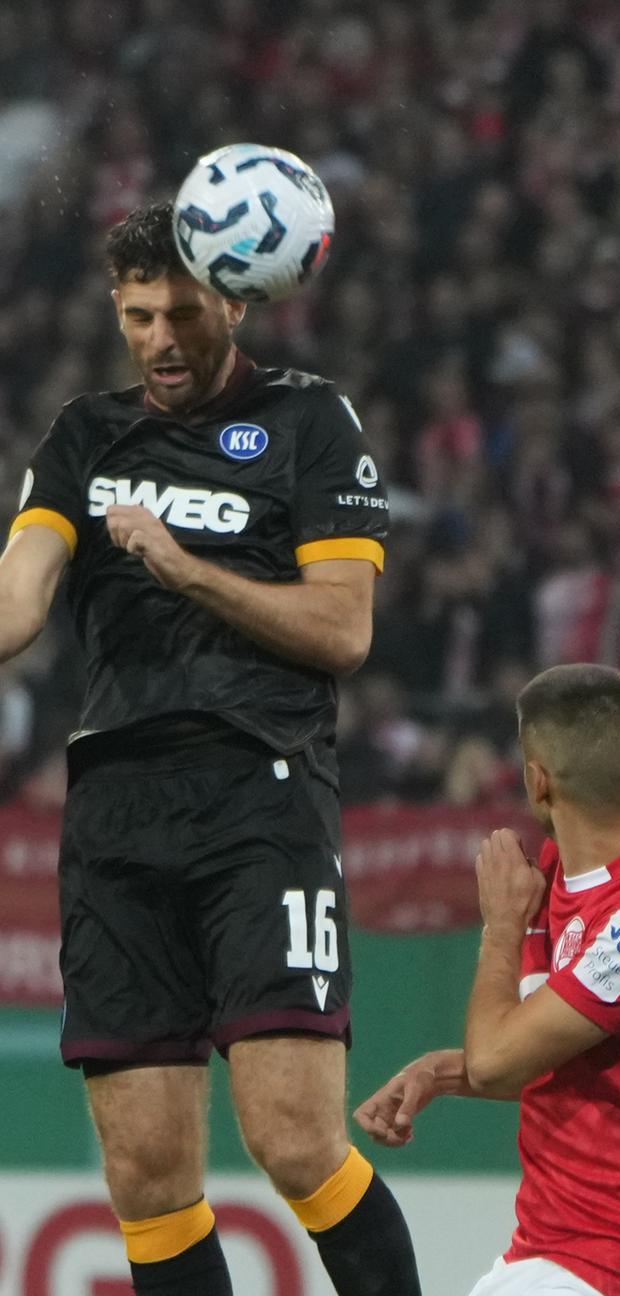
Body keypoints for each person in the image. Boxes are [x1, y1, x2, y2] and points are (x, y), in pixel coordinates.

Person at [0, 202, 420, 1296]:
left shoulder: (310, 424)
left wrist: (184, 566)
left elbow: (343, 630)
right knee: (143, 1173)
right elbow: (15, 605)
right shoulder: (83, 437)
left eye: (181, 312)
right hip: (115, 814)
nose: (159, 339)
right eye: (137, 316)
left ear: (235, 298)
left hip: (259, 798)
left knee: (293, 1140)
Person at [355, 663, 620, 1296]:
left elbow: (502, 1060)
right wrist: (439, 1072)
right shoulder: (556, 875)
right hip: (547, 1252)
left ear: (536, 781)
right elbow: (559, 1056)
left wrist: (501, 927)